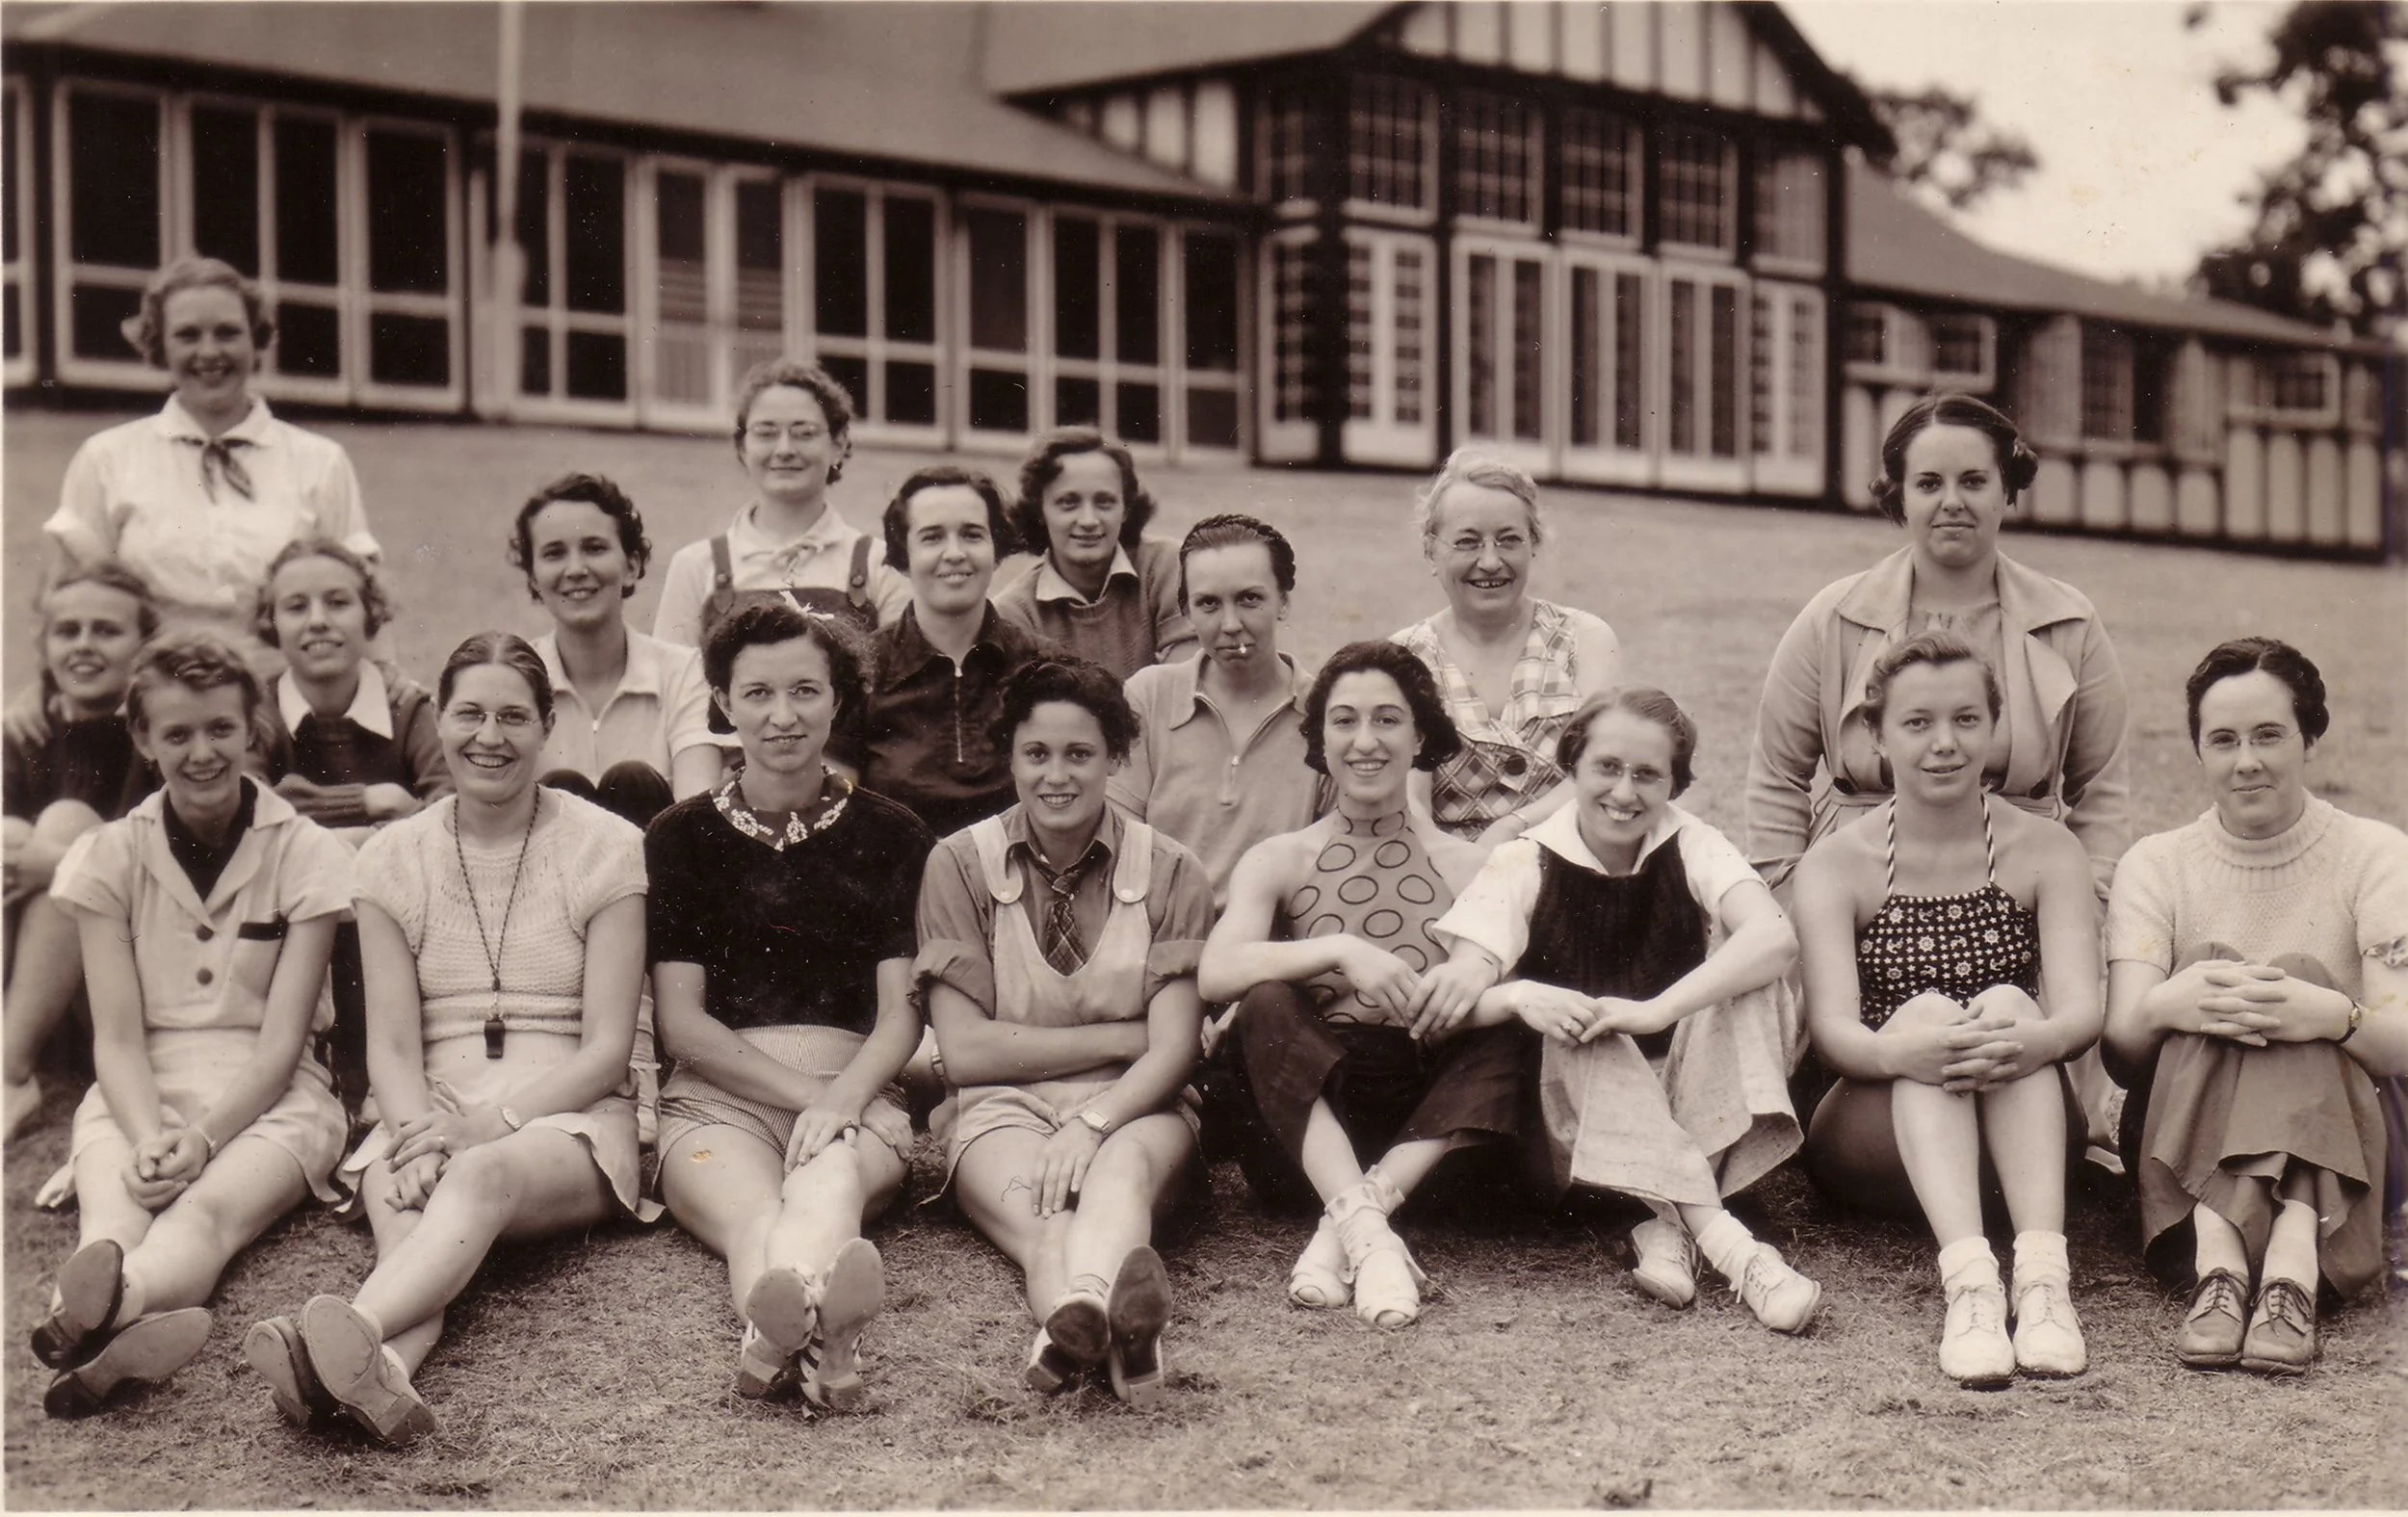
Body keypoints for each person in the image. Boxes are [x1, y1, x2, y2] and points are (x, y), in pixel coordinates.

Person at [244, 633, 655, 1446]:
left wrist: (482, 1129)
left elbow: (608, 1049)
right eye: (469, 714)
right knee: (410, 1225)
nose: (489, 736)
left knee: (482, 1176)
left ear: (548, 728)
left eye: (513, 716)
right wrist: (412, 1137)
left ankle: (339, 1331)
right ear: (439, 718)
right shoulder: (395, 856)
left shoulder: (609, 847)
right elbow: (393, 1048)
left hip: (565, 1121)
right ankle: (383, 1379)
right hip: (423, 1113)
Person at [1746, 393, 2131, 1162]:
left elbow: (2104, 789)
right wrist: (1795, 905)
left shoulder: (2067, 620)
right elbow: (1775, 777)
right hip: (1865, 891)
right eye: (1927, 484)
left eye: (1973, 481)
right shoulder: (1837, 616)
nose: (1951, 502)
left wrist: (2077, 915)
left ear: (2007, 489)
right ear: (1898, 496)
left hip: (2017, 888)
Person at [1428, 689, 1821, 1335]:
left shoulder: (1691, 840)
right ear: (1574, 768)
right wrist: (1525, 994)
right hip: (1579, 1127)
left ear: (1674, 782)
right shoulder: (1523, 858)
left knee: (1751, 983)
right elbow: (1458, 993)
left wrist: (1654, 1009)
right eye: (1607, 767)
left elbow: (1773, 937)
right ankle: (1735, 1248)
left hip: (1689, 1104)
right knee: (1585, 1019)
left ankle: (1668, 1225)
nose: (1624, 791)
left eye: (1647, 774)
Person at [30, 630, 352, 1418]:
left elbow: (282, 1044)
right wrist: (144, 1135)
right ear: (143, 738)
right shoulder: (107, 855)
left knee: (204, 1213)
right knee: (116, 1208)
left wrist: (202, 1139)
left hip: (274, 1094)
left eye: (220, 729)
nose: (201, 752)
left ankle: (108, 1306)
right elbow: (117, 1036)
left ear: (253, 731)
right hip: (139, 1083)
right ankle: (112, 1313)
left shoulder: (305, 851)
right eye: (176, 733)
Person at [1792, 632, 2103, 1386]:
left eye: (1967, 719)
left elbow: (2082, 1010)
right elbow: (1833, 1032)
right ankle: (1969, 1284)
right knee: (1929, 1011)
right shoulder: (1837, 863)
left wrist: (2033, 1041)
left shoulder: (2047, 848)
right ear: (1877, 734)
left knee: (2005, 1004)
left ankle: (2041, 1280)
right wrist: (1909, 1051)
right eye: (1917, 723)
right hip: (1877, 1132)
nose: (1944, 744)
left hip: (2018, 1137)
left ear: (1995, 726)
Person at [649, 602, 935, 1411]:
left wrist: (844, 1098)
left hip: (855, 1087)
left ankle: (773, 1337)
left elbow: (900, 1014)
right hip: (719, 1097)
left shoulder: (892, 832)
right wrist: (816, 1099)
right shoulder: (679, 837)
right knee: (751, 1217)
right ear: (722, 703)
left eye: (806, 691)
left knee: (829, 1179)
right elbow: (683, 1024)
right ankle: (824, 1345)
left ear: (839, 699)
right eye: (759, 694)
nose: (783, 716)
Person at [2103, 639, 2405, 1374]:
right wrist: (2176, 999)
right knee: (2217, 975)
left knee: (2297, 982)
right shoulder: (2158, 862)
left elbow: (2401, 1042)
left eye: (2269, 735)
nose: (2247, 761)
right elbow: (2121, 1052)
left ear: (2309, 736)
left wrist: (2334, 1015)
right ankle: (2245, 1267)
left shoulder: (2373, 852)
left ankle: (2268, 1267)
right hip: (2186, 1147)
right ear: (2198, 750)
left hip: (2354, 1155)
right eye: (2224, 740)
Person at [916, 658, 1213, 1404]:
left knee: (1119, 1174)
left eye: (1080, 754)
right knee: (1045, 1219)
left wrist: (1095, 1117)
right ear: (1009, 756)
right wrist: (1123, 1035)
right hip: (998, 1104)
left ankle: (1072, 1316)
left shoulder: (1174, 870)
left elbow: (1173, 1050)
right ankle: (1118, 1335)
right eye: (1036, 753)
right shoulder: (958, 863)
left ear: (1116, 757)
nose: (1057, 775)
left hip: (1136, 1105)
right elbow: (968, 1050)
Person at [1197, 641, 1506, 1328]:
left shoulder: (1469, 865)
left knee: (1510, 1020)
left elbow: (1497, 980)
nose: (1365, 741)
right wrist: (1339, 948)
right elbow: (1217, 970)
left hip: (1422, 1140)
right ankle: (1370, 1237)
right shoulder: (1280, 857)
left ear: (1421, 734)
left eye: (1388, 720)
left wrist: (1462, 978)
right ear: (1320, 738)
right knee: (1266, 999)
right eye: (1343, 720)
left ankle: (1349, 1226)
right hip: (1302, 1128)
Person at [34, 257, 378, 660]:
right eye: (188, 335)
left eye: (228, 333)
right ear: (159, 345)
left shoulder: (321, 462)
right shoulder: (105, 459)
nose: (210, 352)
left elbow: (363, 606)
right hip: (150, 696)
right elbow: (66, 607)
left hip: (284, 693)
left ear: (257, 340)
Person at [1391, 450, 1621, 845]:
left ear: (1533, 544)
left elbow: (1603, 771)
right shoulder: (1403, 658)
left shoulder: (1586, 640)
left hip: (1570, 858)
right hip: (1450, 869)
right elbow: (1410, 801)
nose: (1491, 561)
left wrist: (1514, 828)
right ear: (1431, 551)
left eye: (1509, 540)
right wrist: (1452, 861)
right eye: (1467, 542)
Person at [6, 563, 162, 1139]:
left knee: (67, 825)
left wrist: (63, 863)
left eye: (106, 630)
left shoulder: (161, 733)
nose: (84, 646)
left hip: (125, 984)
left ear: (144, 645)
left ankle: (10, 1071)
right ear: (44, 648)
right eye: (67, 631)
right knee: (10, 834)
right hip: (39, 979)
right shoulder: (26, 730)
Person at [1112, 514, 1327, 911]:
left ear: (1283, 602)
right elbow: (1118, 840)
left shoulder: (1326, 711)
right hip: (1159, 934)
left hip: (1271, 946)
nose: (1230, 625)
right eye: (1208, 604)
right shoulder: (1148, 697)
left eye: (1250, 599)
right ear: (1187, 612)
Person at [849, 466, 1060, 837]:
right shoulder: (860, 670)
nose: (955, 554)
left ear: (996, 549)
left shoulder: (1046, 669)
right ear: (903, 554)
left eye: (972, 535)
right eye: (932, 538)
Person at [650, 360, 909, 652]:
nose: (785, 450)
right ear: (742, 448)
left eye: (804, 433)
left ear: (838, 444)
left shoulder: (882, 566)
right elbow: (673, 688)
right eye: (766, 432)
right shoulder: (695, 566)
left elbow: (897, 690)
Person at [513, 473, 720, 827]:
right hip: (546, 874)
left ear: (631, 566)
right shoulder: (514, 681)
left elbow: (697, 820)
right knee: (561, 788)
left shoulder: (685, 673)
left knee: (633, 780)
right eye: (554, 553)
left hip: (657, 873)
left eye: (594, 548)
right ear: (533, 577)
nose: (576, 569)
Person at [254, 539, 448, 837]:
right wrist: (371, 801)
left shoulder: (410, 710)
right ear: (271, 622)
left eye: (338, 603)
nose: (318, 621)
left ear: (370, 612)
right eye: (296, 607)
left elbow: (450, 809)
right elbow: (243, 802)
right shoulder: (258, 713)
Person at [993, 429, 1195, 680]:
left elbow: (1185, 684)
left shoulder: (1166, 566)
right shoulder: (1016, 611)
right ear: (1040, 512)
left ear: (1126, 509)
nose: (1088, 520)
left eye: (1104, 502)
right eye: (1069, 503)